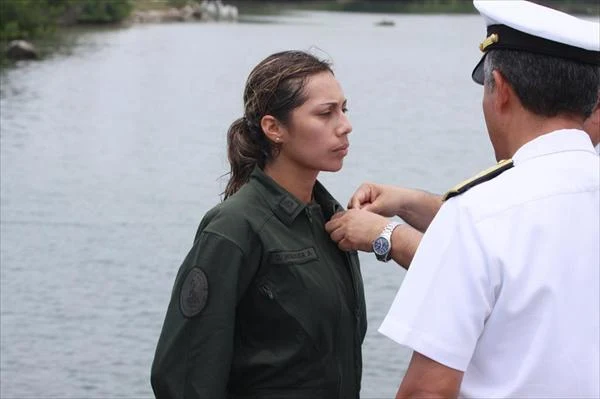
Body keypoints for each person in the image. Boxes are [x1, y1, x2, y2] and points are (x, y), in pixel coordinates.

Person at [327, 1, 600, 397]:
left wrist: (387, 234)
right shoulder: (494, 212)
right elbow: (529, 234)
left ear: (501, 90)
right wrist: (406, 202)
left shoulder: (479, 213)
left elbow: (427, 392)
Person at [150, 50, 367, 399]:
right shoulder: (234, 228)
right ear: (273, 128)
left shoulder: (332, 220)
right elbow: (183, 377)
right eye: (326, 113)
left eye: (344, 109)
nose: (345, 125)